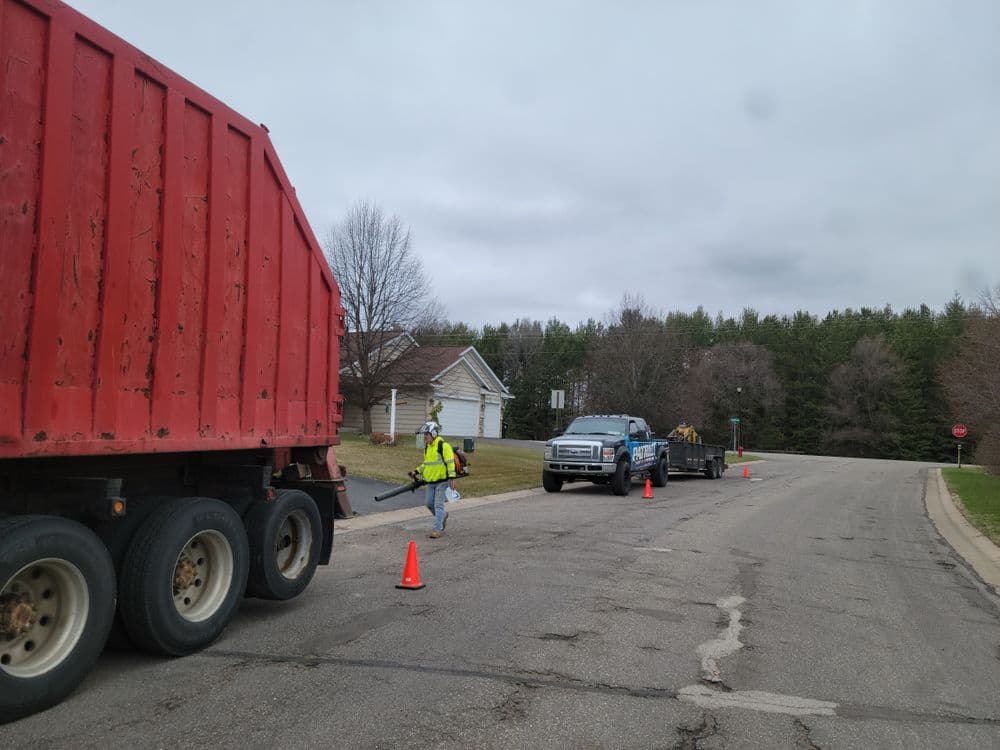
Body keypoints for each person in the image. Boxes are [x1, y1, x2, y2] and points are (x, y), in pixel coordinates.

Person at [413, 421, 457, 538]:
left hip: (442, 482)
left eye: (426, 435)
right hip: (431, 482)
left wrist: (452, 478)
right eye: (424, 435)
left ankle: (437, 529)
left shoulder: (444, 446)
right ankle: (443, 516)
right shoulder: (427, 448)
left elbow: (450, 463)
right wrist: (417, 471)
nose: (424, 438)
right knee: (428, 503)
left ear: (433, 433)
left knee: (438, 505)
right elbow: (427, 464)